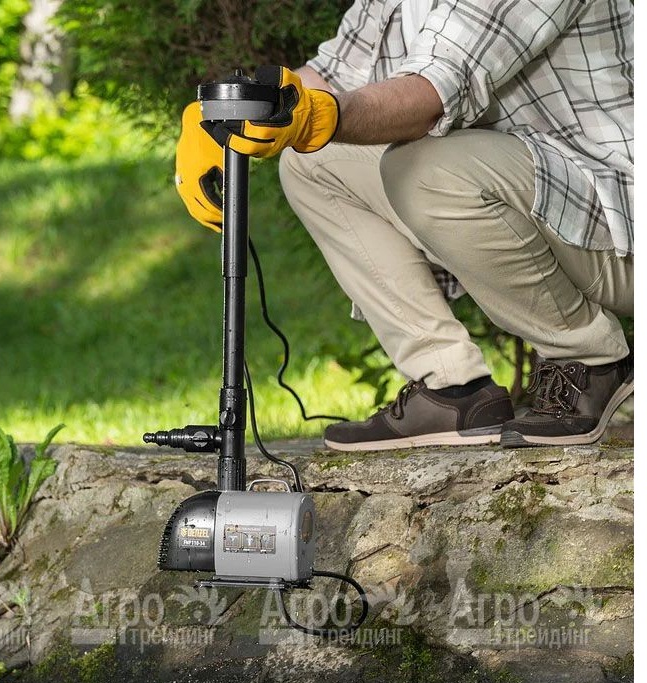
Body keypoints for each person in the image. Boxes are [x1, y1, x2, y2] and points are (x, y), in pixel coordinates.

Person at [174, 0, 633, 451]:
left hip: (622, 224)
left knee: (424, 170)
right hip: (561, 211)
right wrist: (227, 114)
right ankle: (452, 387)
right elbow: (331, 76)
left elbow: (430, 95)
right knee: (313, 163)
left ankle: (589, 360)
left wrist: (315, 117)